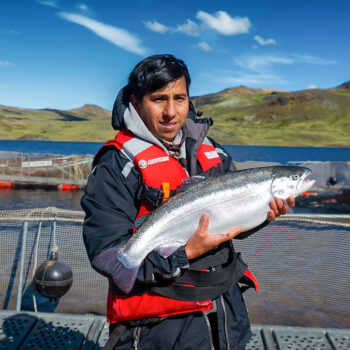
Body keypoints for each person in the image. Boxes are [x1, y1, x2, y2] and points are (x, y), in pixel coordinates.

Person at [81, 54, 294, 350]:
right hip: (161, 328)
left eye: (179, 98)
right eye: (159, 99)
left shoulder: (213, 152)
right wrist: (185, 253)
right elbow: (106, 249)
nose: (171, 111)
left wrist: (263, 214)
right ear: (136, 101)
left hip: (225, 314)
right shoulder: (116, 163)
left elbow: (234, 223)